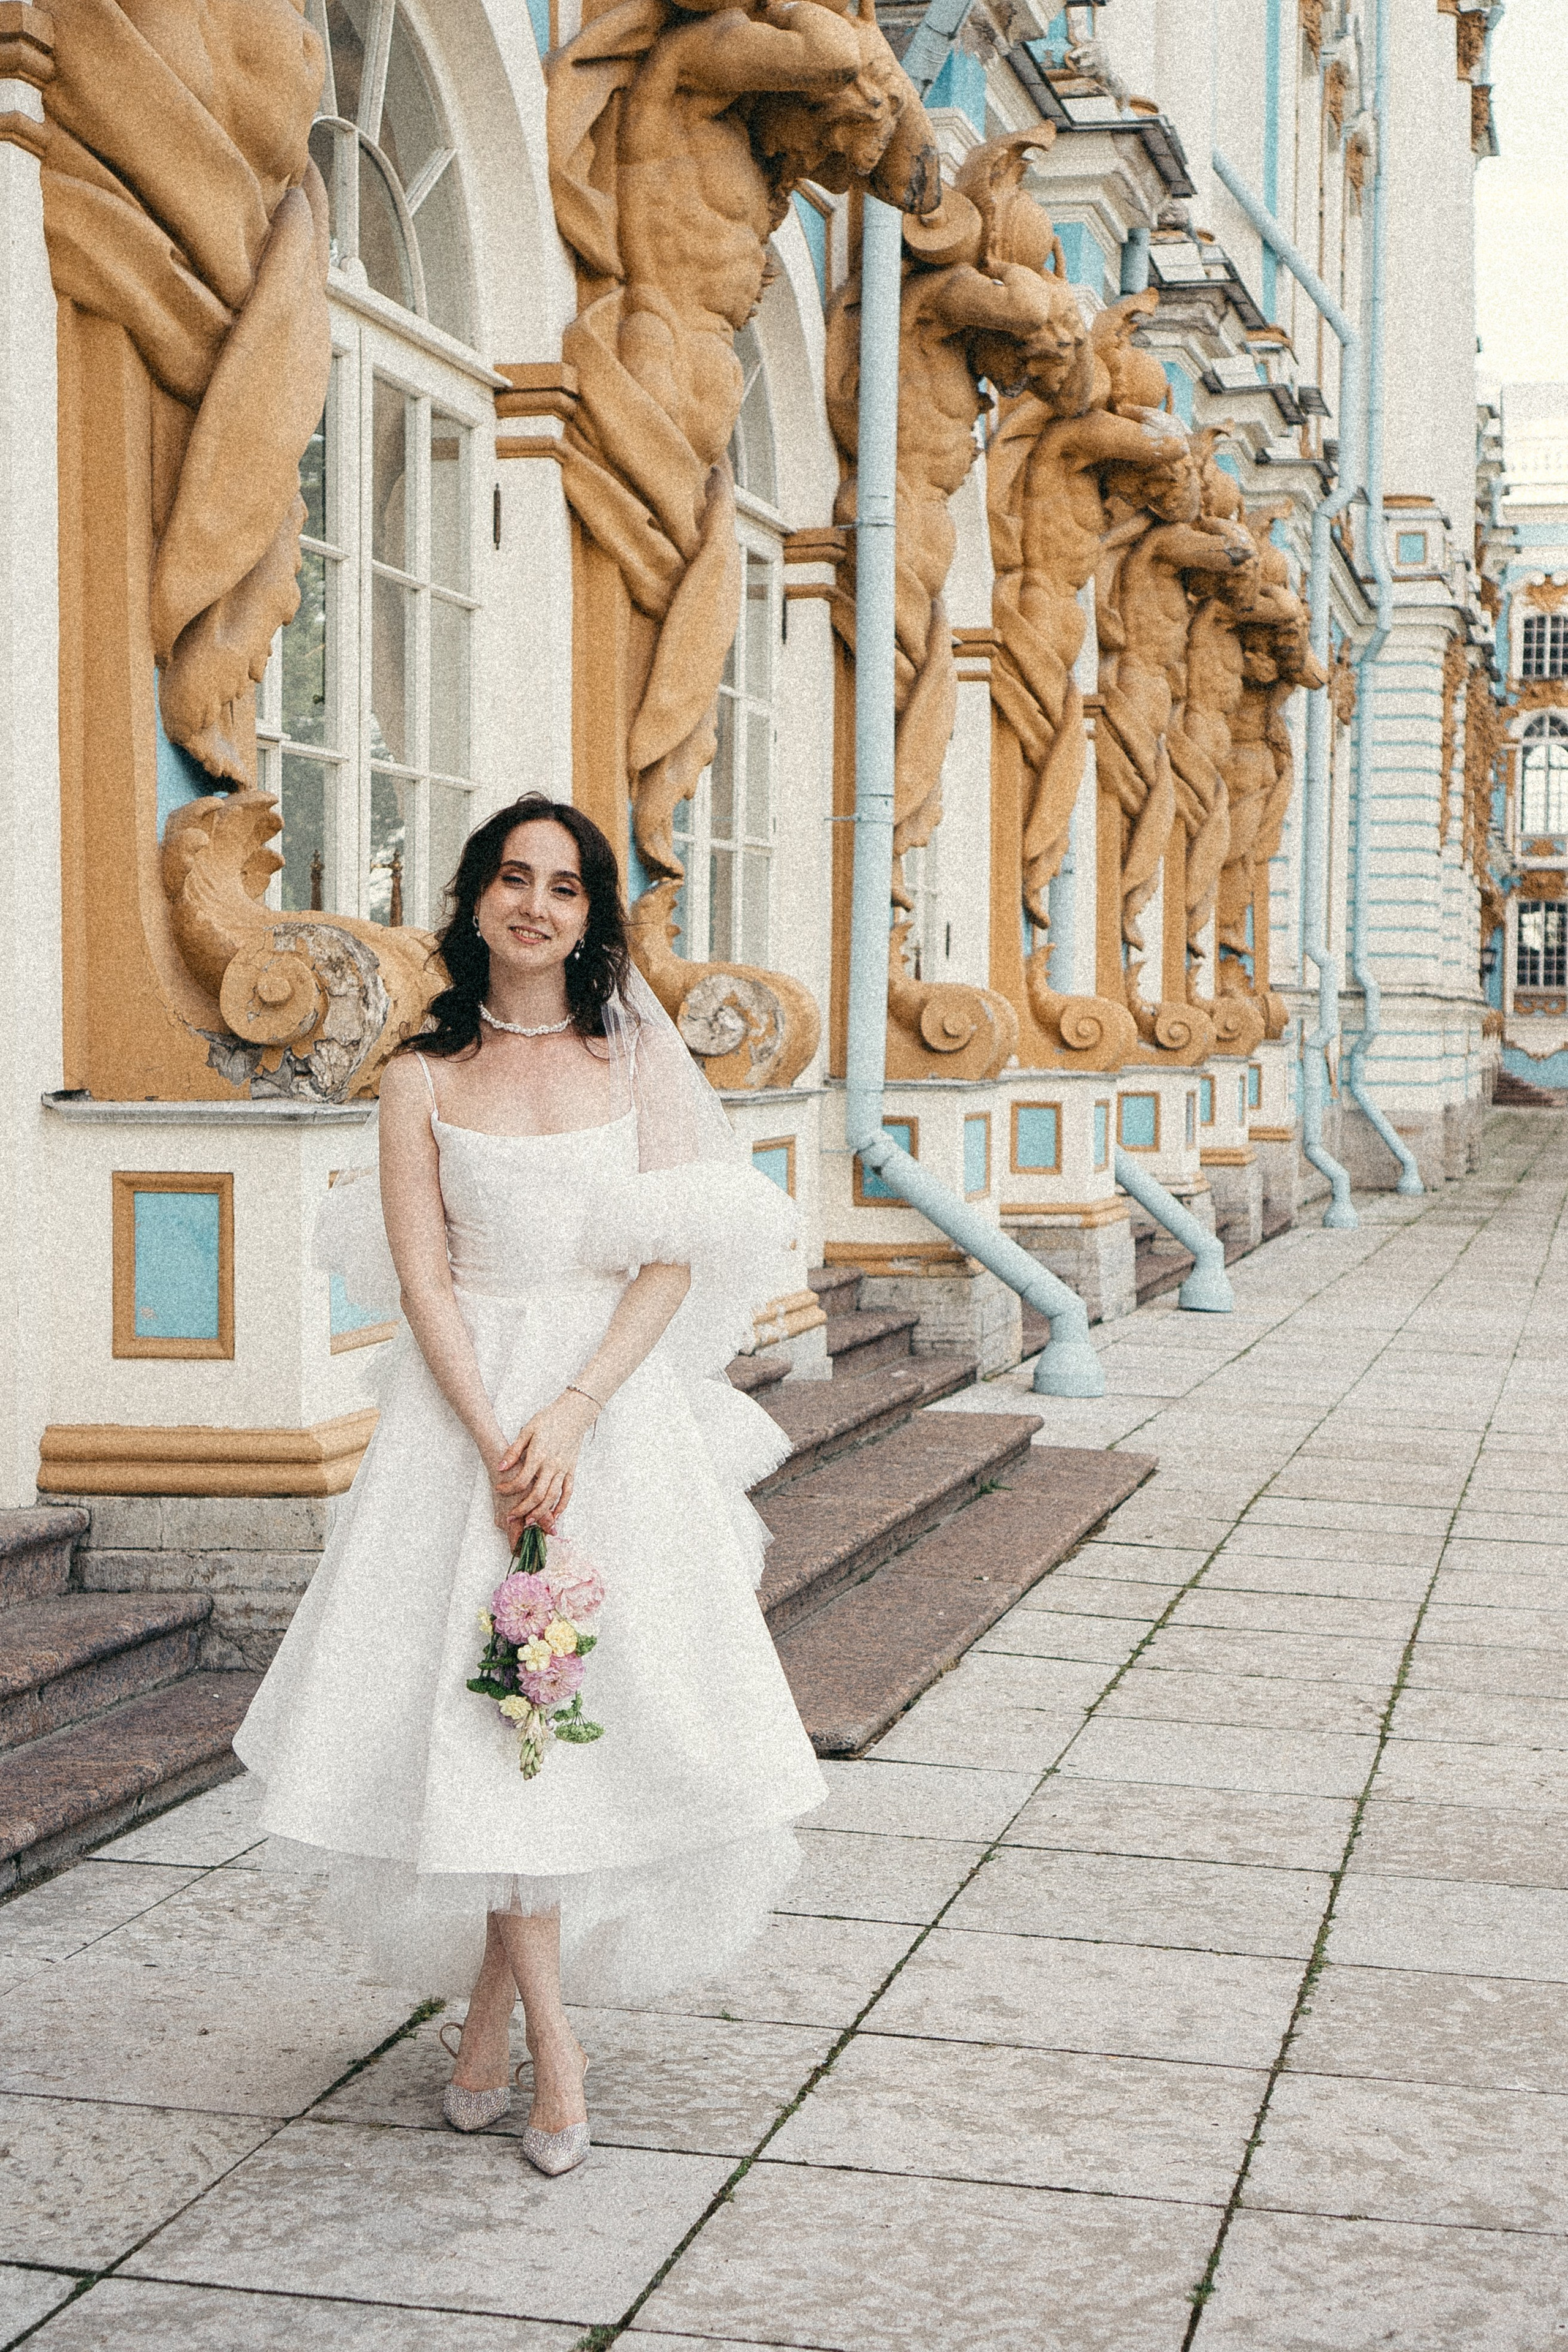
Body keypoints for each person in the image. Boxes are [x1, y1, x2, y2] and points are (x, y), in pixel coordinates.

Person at [234, 795, 827, 2176]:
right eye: (514, 879)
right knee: (483, 1715)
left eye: (565, 887)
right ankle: (554, 2056)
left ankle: (497, 2027)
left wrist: (569, 1409)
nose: (537, 907)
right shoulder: (417, 1080)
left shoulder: (631, 1069)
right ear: (476, 898)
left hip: (605, 1411)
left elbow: (673, 1256)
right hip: (462, 1424)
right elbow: (424, 1277)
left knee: (565, 1714)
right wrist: (495, 1431)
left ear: (589, 915)